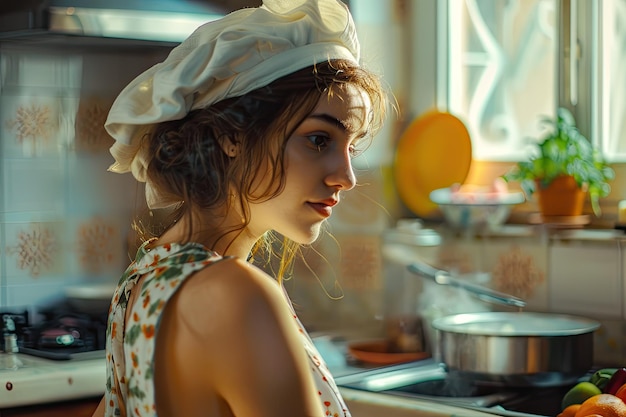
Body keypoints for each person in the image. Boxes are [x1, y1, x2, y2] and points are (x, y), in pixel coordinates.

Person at [91, 0, 390, 416]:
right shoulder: (238, 294)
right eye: (319, 140)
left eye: (351, 148)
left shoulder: (142, 279)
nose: (347, 176)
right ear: (232, 136)